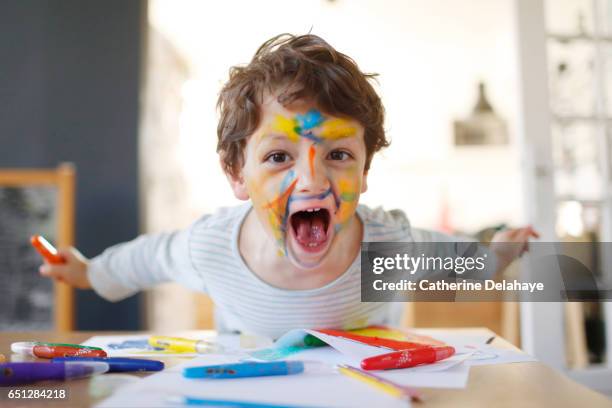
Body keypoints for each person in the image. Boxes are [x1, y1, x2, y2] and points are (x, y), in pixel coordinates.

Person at [39, 33, 537, 339]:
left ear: (365, 173)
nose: (312, 179)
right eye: (279, 157)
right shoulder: (212, 247)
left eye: (339, 155)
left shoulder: (384, 246)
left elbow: (450, 261)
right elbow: (149, 258)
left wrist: (497, 255)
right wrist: (88, 271)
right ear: (236, 174)